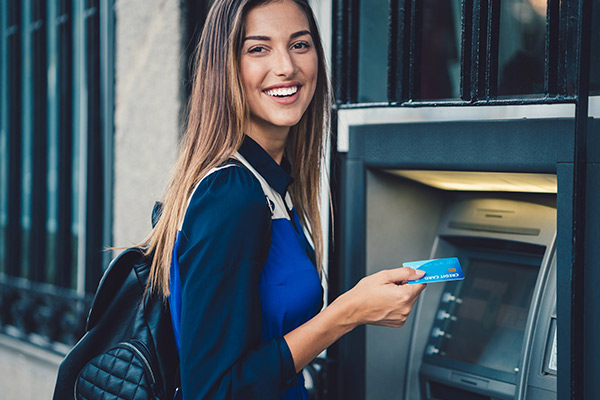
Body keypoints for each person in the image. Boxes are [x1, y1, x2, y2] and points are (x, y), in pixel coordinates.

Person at [142, 0, 427, 398]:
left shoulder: (268, 183)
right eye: (258, 48)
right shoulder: (232, 197)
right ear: (224, 69)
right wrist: (346, 314)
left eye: (300, 45)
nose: (287, 67)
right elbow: (213, 390)